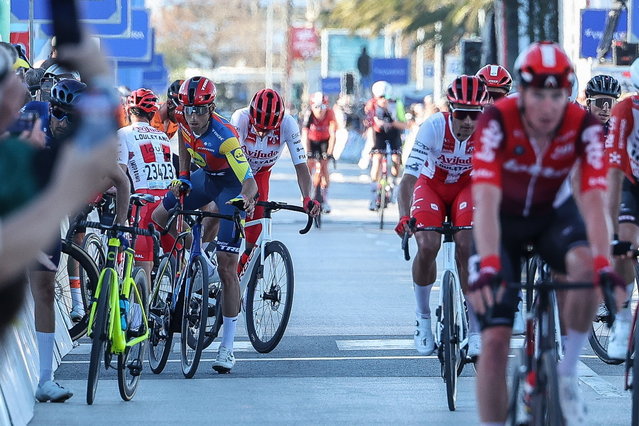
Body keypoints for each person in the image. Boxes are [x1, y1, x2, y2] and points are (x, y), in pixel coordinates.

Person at [468, 41, 626, 426]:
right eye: (537, 94)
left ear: (568, 94)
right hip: (503, 219)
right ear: (521, 92)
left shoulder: (584, 127)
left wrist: (604, 263)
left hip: (553, 215)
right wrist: (489, 264)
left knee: (587, 265)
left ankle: (568, 372)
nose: (547, 106)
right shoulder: (496, 122)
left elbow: (593, 201)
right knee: (493, 342)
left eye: (556, 95)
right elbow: (485, 202)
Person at [151, 76, 258, 374]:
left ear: (211, 108)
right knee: (158, 217)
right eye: (188, 110)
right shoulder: (183, 119)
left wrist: (245, 201)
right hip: (203, 180)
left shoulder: (225, 136)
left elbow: (249, 182)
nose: (193, 118)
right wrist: (183, 173)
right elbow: (184, 140)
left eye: (200, 111)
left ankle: (227, 348)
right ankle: (170, 272)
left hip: (231, 190)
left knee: (227, 266)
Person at [396, 75, 487, 357]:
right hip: (431, 186)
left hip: (466, 188)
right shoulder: (433, 127)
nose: (468, 123)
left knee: (468, 246)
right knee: (427, 245)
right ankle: (422, 318)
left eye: (475, 115)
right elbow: (408, 180)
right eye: (462, 114)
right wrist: (403, 217)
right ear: (450, 110)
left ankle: (474, 329)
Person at [231, 88, 318, 269]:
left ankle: (240, 278)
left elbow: (301, 166)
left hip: (262, 174)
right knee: (229, 228)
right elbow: (233, 159)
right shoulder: (241, 118)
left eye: (268, 130)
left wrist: (307, 198)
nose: (262, 133)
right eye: (259, 128)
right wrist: (245, 193)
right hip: (236, 173)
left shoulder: (288, 123)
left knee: (253, 238)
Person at [118, 88, 176, 285]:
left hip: (145, 202)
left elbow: (119, 173)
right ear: (152, 115)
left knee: (142, 266)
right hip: (169, 200)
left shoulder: (123, 134)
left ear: (128, 110)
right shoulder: (163, 137)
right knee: (177, 258)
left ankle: (140, 315)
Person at [603, 64, 638, 361]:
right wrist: (612, 232)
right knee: (624, 247)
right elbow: (613, 172)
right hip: (631, 183)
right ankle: (623, 318)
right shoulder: (624, 111)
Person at [364, 80, 408, 210]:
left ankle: (393, 184)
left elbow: (404, 124)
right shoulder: (371, 105)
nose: (383, 100)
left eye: (385, 97)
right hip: (378, 133)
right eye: (380, 97)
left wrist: (393, 122)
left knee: (396, 158)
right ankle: (373, 195)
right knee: (377, 158)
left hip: (394, 132)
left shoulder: (396, 104)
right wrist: (372, 146)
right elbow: (369, 125)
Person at [302, 91, 337, 213]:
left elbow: (333, 135)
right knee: (308, 165)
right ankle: (306, 193)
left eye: (322, 107)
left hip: (324, 141)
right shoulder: (309, 114)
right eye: (316, 107)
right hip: (312, 141)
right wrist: (308, 152)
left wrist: (330, 152)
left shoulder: (330, 113)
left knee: (324, 167)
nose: (320, 110)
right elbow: (305, 134)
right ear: (312, 106)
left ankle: (325, 199)